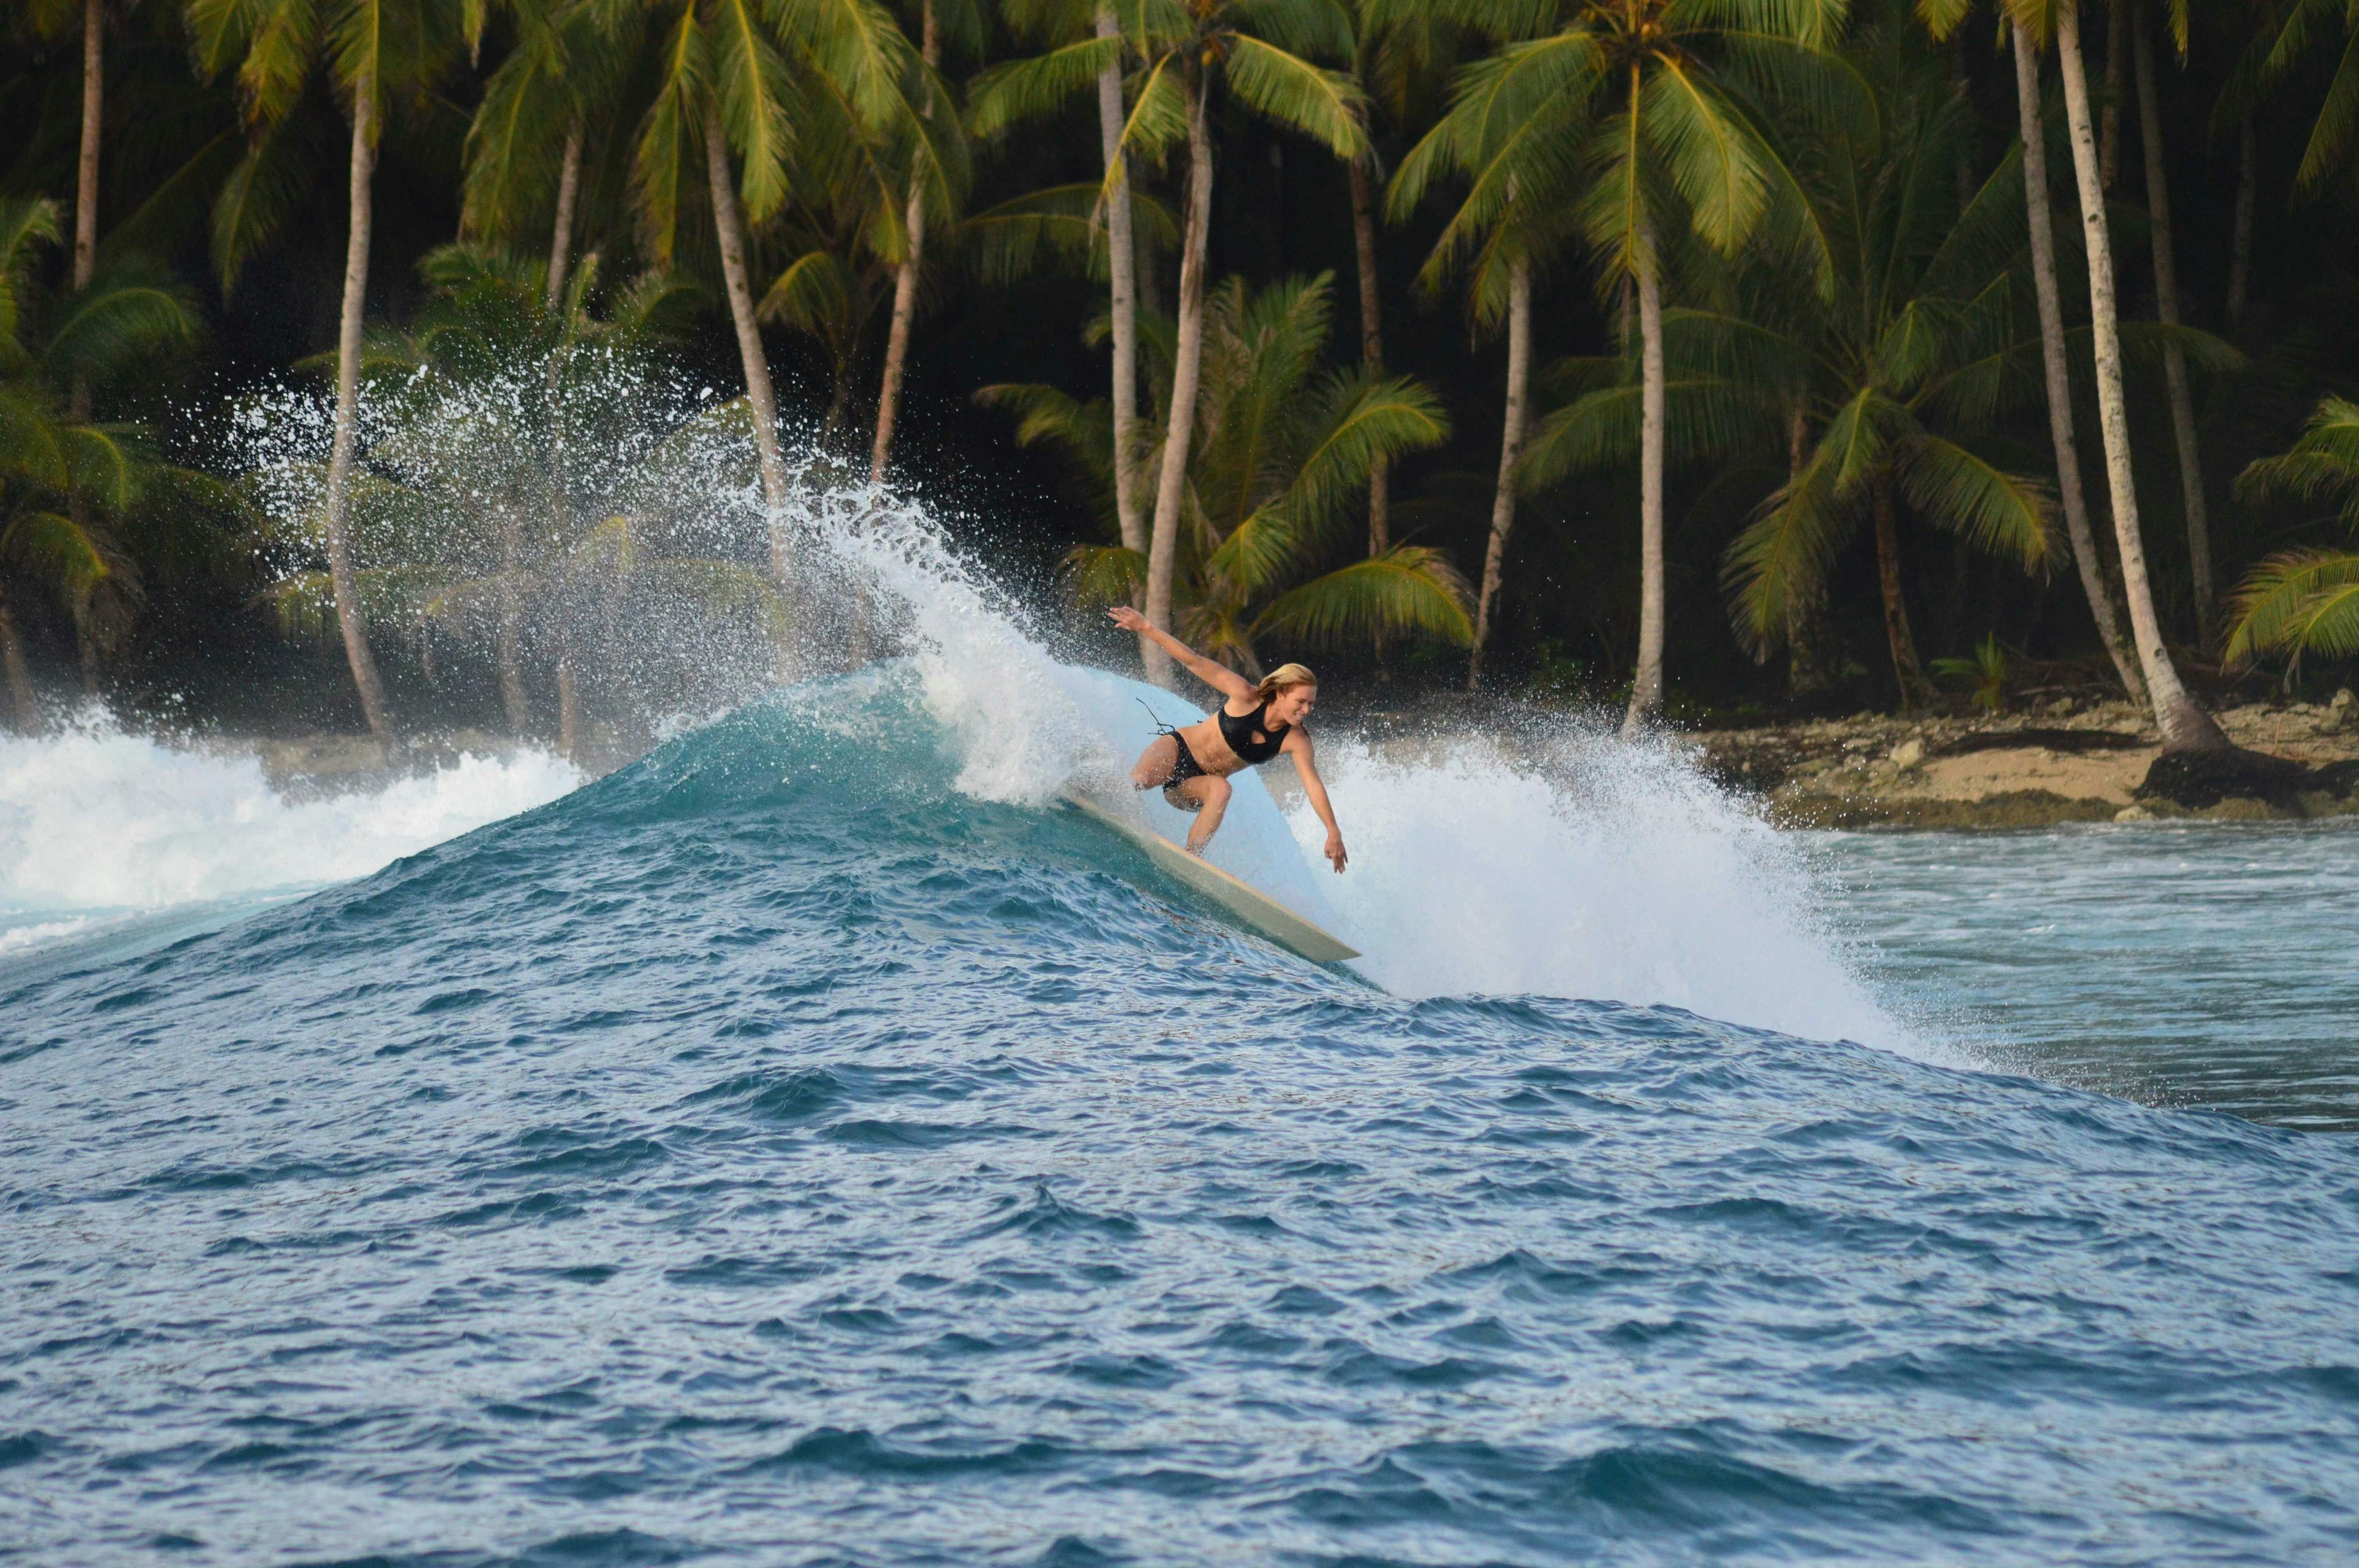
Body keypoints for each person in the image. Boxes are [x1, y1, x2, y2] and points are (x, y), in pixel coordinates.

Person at [1108, 606, 1348, 872]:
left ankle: (1190, 861)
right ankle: (1096, 785)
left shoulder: (1296, 740)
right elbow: (1194, 661)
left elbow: (1313, 785)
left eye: (1311, 705)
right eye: (1301, 702)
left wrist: (1333, 830)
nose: (1306, 711)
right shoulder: (1246, 696)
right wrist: (1145, 627)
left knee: (1222, 789)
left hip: (1194, 786)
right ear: (1280, 693)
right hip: (1178, 749)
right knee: (1140, 781)